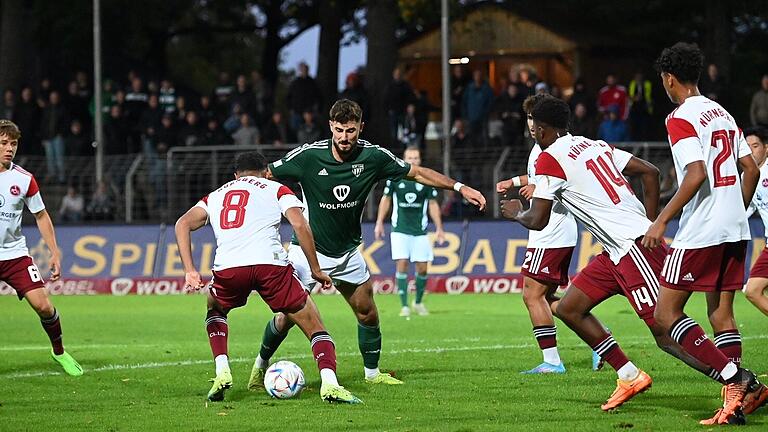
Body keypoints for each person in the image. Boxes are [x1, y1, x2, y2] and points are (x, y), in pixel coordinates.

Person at [501, 97, 723, 412]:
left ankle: (737, 380)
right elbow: (649, 172)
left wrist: (515, 213)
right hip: (616, 251)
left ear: (540, 127)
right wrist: (648, 220)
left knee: (665, 330)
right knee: (569, 308)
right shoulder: (593, 145)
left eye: (531, 121)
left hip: (632, 247)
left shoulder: (549, 158)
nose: (530, 126)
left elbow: (537, 219)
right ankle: (628, 374)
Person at [247, 99, 486, 388]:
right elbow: (264, 175)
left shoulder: (373, 157)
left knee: (367, 312)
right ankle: (260, 366)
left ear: (361, 127)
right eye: (338, 130)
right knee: (286, 317)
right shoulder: (309, 156)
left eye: (350, 130)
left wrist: (460, 187)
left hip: (348, 253)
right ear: (330, 127)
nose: (344, 137)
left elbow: (418, 173)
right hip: (306, 252)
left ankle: (372, 374)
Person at [175, 152, 361, 404]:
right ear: (265, 171)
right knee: (314, 325)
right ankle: (330, 384)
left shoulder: (216, 195)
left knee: (215, 309)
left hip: (230, 269)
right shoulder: (277, 188)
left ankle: (221, 371)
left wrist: (190, 269)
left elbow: (182, 223)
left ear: (235, 175)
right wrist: (316, 269)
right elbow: (300, 225)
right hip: (270, 266)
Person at [644, 42, 762, 425]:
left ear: (669, 79)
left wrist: (661, 220)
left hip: (702, 230)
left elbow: (695, 174)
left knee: (665, 315)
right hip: (735, 228)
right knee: (721, 313)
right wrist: (737, 210)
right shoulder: (723, 113)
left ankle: (736, 378)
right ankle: (737, 401)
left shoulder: (680, 117)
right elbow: (752, 169)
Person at [496, 94, 578, 374]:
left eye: (536, 118)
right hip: (549, 231)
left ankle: (552, 362)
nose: (531, 124)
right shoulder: (540, 147)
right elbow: (538, 177)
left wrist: (541, 193)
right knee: (547, 298)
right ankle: (599, 339)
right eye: (529, 118)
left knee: (532, 295)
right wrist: (516, 181)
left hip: (552, 229)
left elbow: (564, 182)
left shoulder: (554, 148)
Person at [0, 120, 82, 376]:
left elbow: (41, 215)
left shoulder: (24, 180)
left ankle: (59, 351)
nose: (9, 148)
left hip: (15, 255)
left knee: (44, 306)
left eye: (13, 144)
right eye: (3, 143)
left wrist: (54, 252)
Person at [374, 146, 446, 317]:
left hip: (420, 232)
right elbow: (386, 200)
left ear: (420, 160)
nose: (413, 161)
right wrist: (379, 222)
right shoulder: (395, 178)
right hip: (400, 230)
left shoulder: (426, 180)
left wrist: (439, 228)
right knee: (402, 264)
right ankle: (404, 305)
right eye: (410, 158)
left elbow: (433, 204)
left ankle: (418, 302)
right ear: (404, 159)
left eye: (416, 158)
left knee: (422, 268)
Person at [744, 127, 768, 319]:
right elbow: (743, 211)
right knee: (752, 290)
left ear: (766, 149)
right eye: (747, 147)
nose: (751, 150)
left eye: (756, 146)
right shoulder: (747, 177)